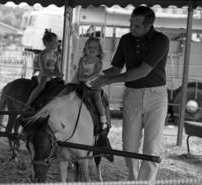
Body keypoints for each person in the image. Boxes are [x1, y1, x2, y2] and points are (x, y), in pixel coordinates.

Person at [91, 6, 169, 181]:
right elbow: (116, 68)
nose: (131, 28)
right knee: (129, 146)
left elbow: (143, 71)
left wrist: (109, 80)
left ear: (149, 26)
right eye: (130, 24)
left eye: (137, 26)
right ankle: (134, 180)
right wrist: (95, 76)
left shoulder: (161, 40)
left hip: (156, 96)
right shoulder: (126, 39)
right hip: (132, 94)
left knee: (152, 146)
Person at [72, 37, 109, 131]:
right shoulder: (82, 60)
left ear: (99, 51)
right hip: (82, 82)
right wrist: (80, 77)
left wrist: (86, 78)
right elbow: (80, 71)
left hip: (94, 83)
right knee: (71, 93)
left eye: (95, 48)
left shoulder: (98, 61)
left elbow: (96, 73)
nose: (92, 49)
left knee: (97, 99)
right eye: (89, 47)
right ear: (85, 49)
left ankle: (103, 119)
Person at [24, 29, 62, 110]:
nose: (57, 44)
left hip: (52, 75)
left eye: (57, 42)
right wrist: (54, 74)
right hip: (44, 75)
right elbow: (44, 70)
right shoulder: (43, 54)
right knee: (41, 85)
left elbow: (57, 67)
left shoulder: (56, 55)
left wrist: (58, 73)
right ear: (47, 43)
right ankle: (28, 103)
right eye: (54, 42)